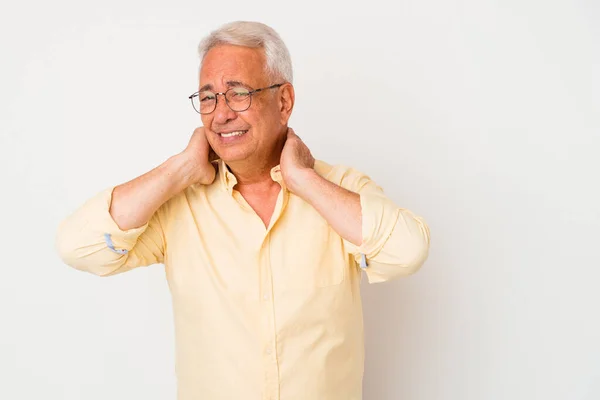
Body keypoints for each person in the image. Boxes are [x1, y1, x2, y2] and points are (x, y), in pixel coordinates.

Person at [55, 20, 430, 400]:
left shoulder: (339, 189)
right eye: (207, 98)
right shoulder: (178, 206)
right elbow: (78, 246)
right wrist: (181, 167)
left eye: (237, 94)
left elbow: (407, 251)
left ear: (283, 102)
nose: (220, 114)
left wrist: (303, 180)